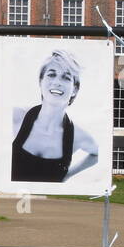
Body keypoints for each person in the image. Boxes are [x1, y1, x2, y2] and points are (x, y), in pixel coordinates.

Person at [11, 49, 98, 183]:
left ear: (74, 89)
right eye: (51, 74)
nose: (57, 82)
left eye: (66, 77)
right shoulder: (17, 116)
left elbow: (97, 153)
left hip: (48, 202)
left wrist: (68, 175)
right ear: (41, 81)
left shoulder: (78, 136)